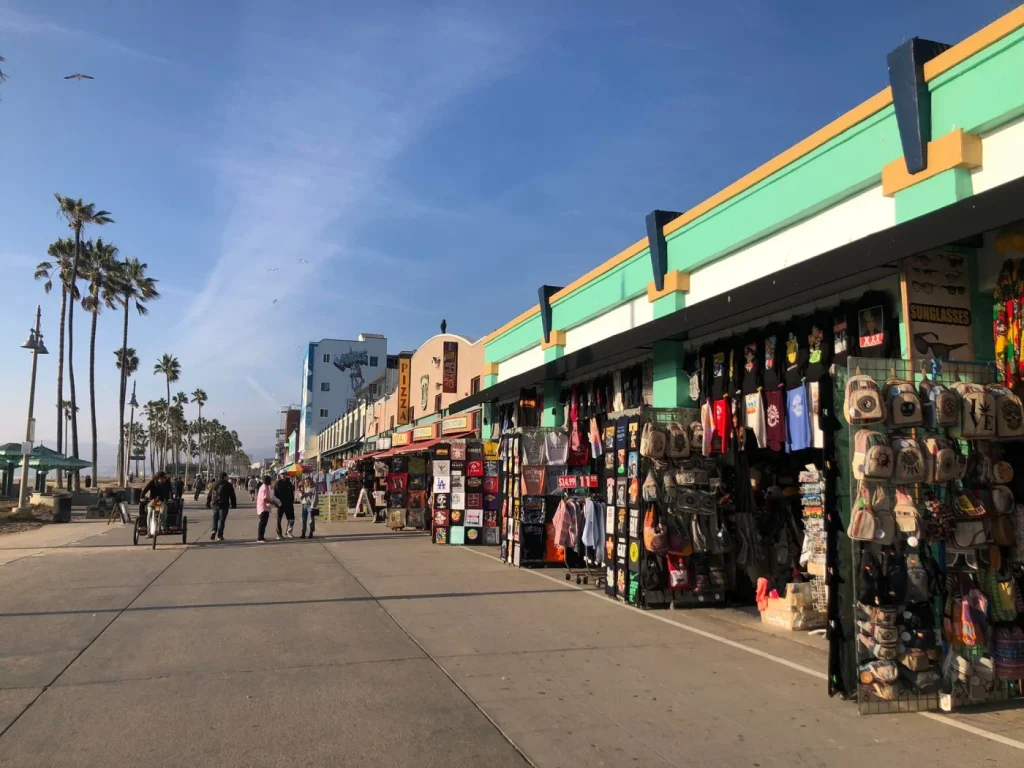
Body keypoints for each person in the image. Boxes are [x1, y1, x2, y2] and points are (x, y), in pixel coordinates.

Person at [140, 471, 172, 537]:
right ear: (158, 478)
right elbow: (145, 490)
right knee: (150, 513)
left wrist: (170, 498)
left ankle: (163, 528)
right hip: (152, 502)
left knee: (163, 512)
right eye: (162, 478)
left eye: (164, 478)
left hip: (161, 502)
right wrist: (142, 497)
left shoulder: (167, 483)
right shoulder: (152, 482)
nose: (163, 479)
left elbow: (171, 491)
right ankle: (149, 531)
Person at [210, 472, 237, 541]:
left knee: (215, 518)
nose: (228, 477)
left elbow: (210, 493)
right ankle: (220, 535)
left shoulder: (215, 484)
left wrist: (208, 502)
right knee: (221, 520)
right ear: (224, 477)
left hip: (215, 503)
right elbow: (232, 495)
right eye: (227, 476)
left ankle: (214, 530)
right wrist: (234, 504)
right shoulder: (228, 485)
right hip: (224, 504)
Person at [256, 475, 279, 543]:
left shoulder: (265, 487)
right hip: (263, 508)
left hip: (264, 507)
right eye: (270, 480)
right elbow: (265, 499)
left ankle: (262, 537)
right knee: (262, 523)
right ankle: (260, 538)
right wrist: (273, 502)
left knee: (263, 523)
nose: (271, 482)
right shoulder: (264, 488)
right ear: (267, 481)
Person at [274, 474, 296, 539]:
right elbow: (274, 495)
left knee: (291, 519)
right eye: (282, 474)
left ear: (286, 475)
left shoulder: (289, 483)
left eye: (284, 474)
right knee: (278, 520)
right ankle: (279, 534)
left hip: (289, 505)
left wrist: (292, 501)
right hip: (280, 505)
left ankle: (289, 532)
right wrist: (277, 504)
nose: (283, 476)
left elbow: (292, 494)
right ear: (280, 475)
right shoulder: (277, 483)